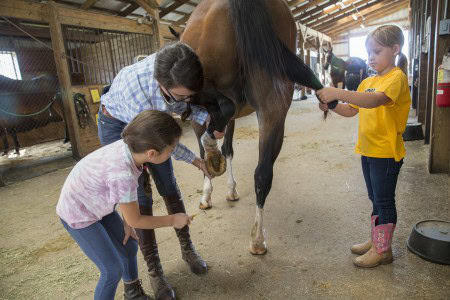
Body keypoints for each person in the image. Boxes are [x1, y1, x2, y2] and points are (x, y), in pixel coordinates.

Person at [98, 42, 223, 299]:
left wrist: (212, 121)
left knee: (169, 186)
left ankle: (187, 249)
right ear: (161, 83)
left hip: (152, 118)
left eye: (189, 94)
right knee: (140, 198)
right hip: (118, 123)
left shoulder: (177, 64)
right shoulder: (139, 95)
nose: (186, 100)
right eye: (180, 95)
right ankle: (155, 271)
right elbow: (161, 144)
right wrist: (196, 161)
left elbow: (180, 106)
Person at [57, 111, 193, 299]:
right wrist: (173, 220)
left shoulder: (130, 147)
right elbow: (136, 218)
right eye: (171, 150)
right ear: (152, 153)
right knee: (111, 270)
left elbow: (126, 201)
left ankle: (132, 292)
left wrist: (128, 223)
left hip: (97, 204)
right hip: (78, 213)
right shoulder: (122, 174)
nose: (172, 152)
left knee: (128, 246)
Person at [317, 25, 411, 268]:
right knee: (375, 198)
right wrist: (332, 103)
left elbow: (374, 101)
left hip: (386, 152)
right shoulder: (367, 81)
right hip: (368, 150)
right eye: (368, 52)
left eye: (376, 51)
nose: (371, 57)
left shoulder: (396, 78)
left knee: (384, 200)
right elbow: (350, 111)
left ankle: (383, 251)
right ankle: (377, 241)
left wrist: (338, 91)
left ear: (395, 49)